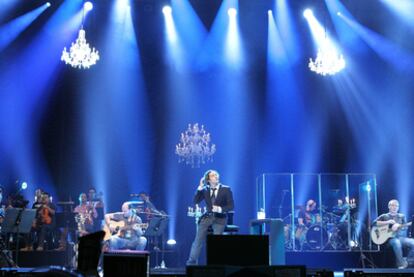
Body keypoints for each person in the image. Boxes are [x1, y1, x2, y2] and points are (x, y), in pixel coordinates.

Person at [186, 170, 234, 265]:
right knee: (198, 239)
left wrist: (220, 209)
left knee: (216, 241)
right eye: (213, 175)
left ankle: (216, 262)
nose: (216, 176)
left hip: (220, 218)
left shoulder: (226, 189)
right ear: (208, 179)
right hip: (207, 217)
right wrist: (200, 187)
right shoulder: (205, 189)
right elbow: (196, 201)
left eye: (216, 175)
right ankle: (191, 262)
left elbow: (231, 206)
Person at [373, 199, 414, 269]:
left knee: (413, 242)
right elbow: (374, 223)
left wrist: (399, 226)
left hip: (400, 238)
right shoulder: (384, 216)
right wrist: (388, 222)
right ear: (389, 206)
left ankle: (407, 261)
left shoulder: (402, 216)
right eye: (393, 205)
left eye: (397, 206)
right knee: (396, 242)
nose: (395, 207)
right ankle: (401, 265)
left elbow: (405, 227)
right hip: (389, 239)